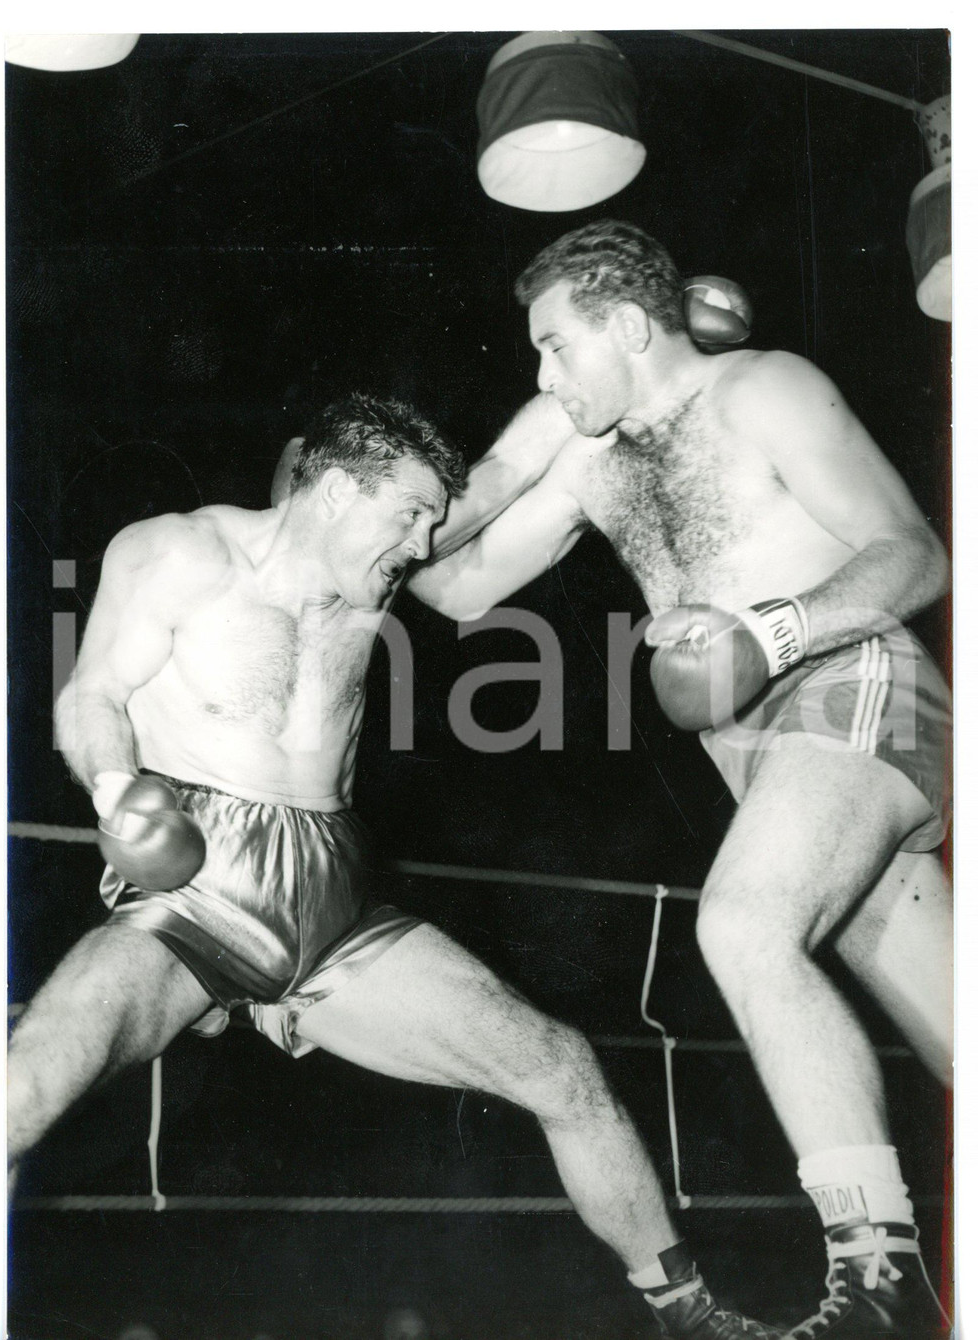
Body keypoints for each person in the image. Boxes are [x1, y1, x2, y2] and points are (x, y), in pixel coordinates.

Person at [8, 392, 780, 1340]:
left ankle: (692, 1317)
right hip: (198, 882)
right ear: (334, 491)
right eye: (409, 515)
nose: (422, 544)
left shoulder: (366, 581)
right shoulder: (180, 553)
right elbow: (94, 693)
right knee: (22, 1092)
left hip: (334, 895)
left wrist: (598, 377)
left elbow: (495, 482)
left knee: (561, 1068)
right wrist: (117, 790)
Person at [409, 221, 953, 1339]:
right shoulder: (586, 457)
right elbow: (462, 588)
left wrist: (768, 631)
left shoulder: (763, 389)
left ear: (623, 323)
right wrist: (383, 525)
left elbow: (913, 551)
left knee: (745, 927)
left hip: (851, 688)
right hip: (768, 766)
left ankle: (882, 1288)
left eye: (555, 347)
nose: (544, 374)